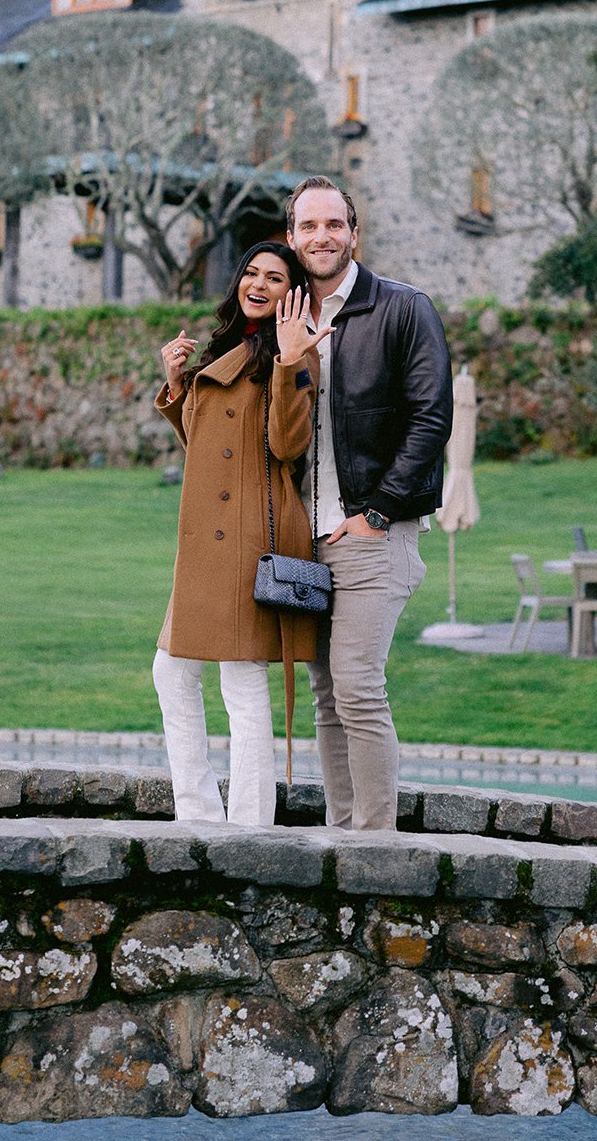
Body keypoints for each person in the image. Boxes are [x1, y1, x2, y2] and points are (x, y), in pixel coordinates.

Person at [285, 176, 453, 832]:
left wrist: (379, 510)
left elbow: (430, 417)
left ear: (354, 233)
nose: (321, 236)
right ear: (293, 238)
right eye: (308, 226)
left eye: (333, 224)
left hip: (373, 533)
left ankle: (375, 843)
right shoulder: (289, 316)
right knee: (327, 695)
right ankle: (341, 834)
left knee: (357, 686)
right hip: (308, 540)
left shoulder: (403, 308)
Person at [152, 241, 332, 826]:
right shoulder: (227, 346)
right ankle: (200, 812)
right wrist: (177, 386)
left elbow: (286, 445)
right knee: (173, 669)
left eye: (275, 278)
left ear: (293, 294)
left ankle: (249, 822)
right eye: (251, 273)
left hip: (248, 531)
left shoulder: (292, 355)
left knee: (241, 674)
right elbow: (207, 451)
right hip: (208, 537)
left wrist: (289, 362)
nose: (258, 283)